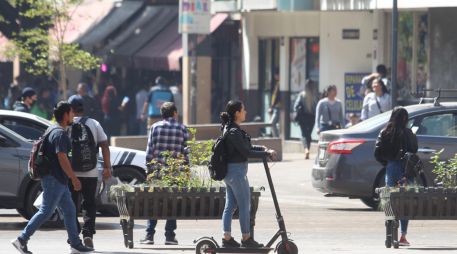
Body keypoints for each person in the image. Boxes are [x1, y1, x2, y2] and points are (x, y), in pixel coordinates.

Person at [11, 101, 94, 254]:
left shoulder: (52, 129)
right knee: (46, 211)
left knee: (69, 210)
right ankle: (22, 239)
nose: (73, 116)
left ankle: (75, 244)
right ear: (65, 115)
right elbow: (62, 157)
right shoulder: (59, 133)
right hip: (54, 179)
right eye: (71, 113)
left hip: (57, 179)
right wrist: (74, 179)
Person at [220, 100, 277, 248]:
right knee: (245, 205)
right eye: (243, 110)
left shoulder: (232, 129)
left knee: (230, 205)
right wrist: (265, 153)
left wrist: (263, 149)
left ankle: (226, 238)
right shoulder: (233, 131)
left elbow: (247, 147)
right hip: (236, 173)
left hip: (231, 172)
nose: (245, 112)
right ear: (237, 113)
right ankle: (246, 239)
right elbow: (245, 152)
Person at [140, 102, 188, 245]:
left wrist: (149, 171)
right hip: (175, 173)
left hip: (157, 172)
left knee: (154, 202)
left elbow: (149, 153)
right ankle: (169, 236)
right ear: (174, 113)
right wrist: (186, 172)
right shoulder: (182, 128)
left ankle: (149, 235)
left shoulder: (155, 128)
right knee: (172, 202)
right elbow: (186, 154)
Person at [68, 95, 112, 249]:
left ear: (70, 109)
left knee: (71, 205)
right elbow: (105, 146)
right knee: (89, 204)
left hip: (71, 173)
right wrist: (107, 167)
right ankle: (87, 234)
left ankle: (74, 235)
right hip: (91, 171)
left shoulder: (65, 124)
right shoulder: (94, 123)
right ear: (84, 108)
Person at [374, 106, 418, 247]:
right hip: (405, 169)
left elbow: (377, 152)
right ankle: (403, 236)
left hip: (391, 168)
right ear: (405, 119)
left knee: (391, 201)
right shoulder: (408, 133)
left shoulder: (385, 132)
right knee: (405, 202)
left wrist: (386, 163)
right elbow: (414, 150)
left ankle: (390, 234)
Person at [294, 79, 319, 159]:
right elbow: (316, 108)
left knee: (304, 134)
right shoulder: (314, 96)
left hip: (303, 117)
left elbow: (296, 106)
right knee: (308, 135)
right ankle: (308, 149)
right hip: (312, 118)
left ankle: (306, 150)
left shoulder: (302, 95)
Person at [268, 68, 281, 137]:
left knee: (272, 123)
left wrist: (271, 106)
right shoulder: (277, 83)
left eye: (276, 75)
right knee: (276, 124)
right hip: (276, 107)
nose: (275, 77)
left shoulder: (279, 84)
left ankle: (276, 138)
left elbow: (275, 96)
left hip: (278, 107)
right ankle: (276, 137)